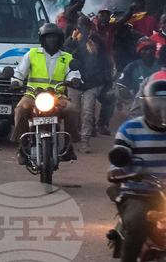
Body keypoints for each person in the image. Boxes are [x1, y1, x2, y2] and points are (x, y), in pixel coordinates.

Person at [109, 78, 166, 262]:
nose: (161, 110)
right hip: (138, 193)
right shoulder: (129, 129)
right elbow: (119, 157)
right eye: (157, 105)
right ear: (147, 105)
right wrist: (117, 169)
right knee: (137, 221)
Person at [10, 22, 82, 162]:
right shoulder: (32, 54)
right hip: (32, 95)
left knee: (72, 110)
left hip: (57, 96)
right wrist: (15, 82)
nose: (51, 40)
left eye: (54, 37)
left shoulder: (67, 57)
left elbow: (74, 73)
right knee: (20, 109)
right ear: (42, 39)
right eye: (48, 37)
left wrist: (75, 80)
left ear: (60, 39)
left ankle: (69, 146)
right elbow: (19, 72)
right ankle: (22, 147)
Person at [72, 22, 116, 152]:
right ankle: (72, 140)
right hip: (73, 83)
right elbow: (66, 59)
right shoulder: (71, 40)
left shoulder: (97, 41)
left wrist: (105, 81)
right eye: (81, 25)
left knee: (88, 112)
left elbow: (103, 60)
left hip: (92, 83)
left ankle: (85, 142)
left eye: (87, 26)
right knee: (74, 113)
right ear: (78, 26)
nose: (84, 28)